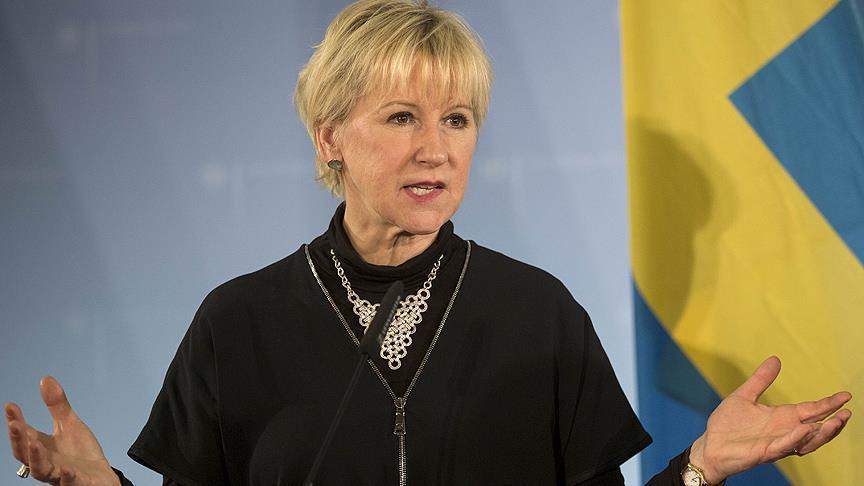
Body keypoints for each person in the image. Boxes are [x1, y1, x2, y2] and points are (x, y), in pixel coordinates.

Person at [4, 1, 853, 484]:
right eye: (402, 117)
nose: (436, 150)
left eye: (458, 120)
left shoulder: (538, 313)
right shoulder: (238, 323)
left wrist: (699, 466)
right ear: (330, 136)